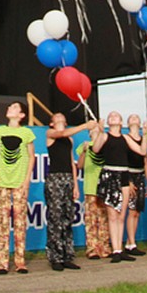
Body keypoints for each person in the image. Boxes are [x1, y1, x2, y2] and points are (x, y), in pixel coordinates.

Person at [92, 111, 147, 263]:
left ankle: (121, 248)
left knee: (121, 215)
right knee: (112, 215)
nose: (113, 117)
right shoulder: (105, 136)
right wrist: (99, 131)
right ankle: (115, 249)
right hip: (110, 174)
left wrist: (146, 135)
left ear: (121, 121)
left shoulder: (126, 138)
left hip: (124, 175)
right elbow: (96, 149)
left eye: (116, 116)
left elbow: (142, 151)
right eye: (111, 116)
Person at [0, 100, 36, 274]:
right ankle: (2, 262)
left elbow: (31, 156)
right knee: (2, 221)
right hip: (3, 180)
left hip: (19, 181)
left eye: (15, 107)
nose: (10, 108)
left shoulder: (26, 132)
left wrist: (26, 180)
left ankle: (20, 260)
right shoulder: (0, 131)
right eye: (10, 107)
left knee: (19, 221)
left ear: (22, 115)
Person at [44, 112, 91, 271]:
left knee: (67, 217)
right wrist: (85, 126)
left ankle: (67, 255)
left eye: (61, 116)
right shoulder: (50, 134)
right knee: (55, 218)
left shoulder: (69, 140)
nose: (60, 118)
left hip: (68, 179)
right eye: (56, 117)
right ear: (52, 123)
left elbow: (72, 163)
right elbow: (62, 133)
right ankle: (55, 256)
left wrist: (75, 186)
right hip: (55, 179)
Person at [76, 123, 109, 260]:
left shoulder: (105, 144)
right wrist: (84, 151)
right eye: (92, 129)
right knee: (91, 219)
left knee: (103, 218)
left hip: (104, 186)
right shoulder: (85, 146)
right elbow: (80, 165)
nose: (94, 130)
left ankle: (104, 247)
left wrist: (102, 133)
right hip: (90, 187)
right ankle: (92, 248)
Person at [124, 113, 147, 257]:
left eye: (136, 117)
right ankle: (132, 243)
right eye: (131, 117)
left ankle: (130, 241)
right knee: (131, 210)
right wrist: (128, 180)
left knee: (137, 211)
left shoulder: (143, 138)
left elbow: (144, 158)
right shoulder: (126, 138)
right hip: (130, 174)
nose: (134, 118)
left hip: (140, 174)